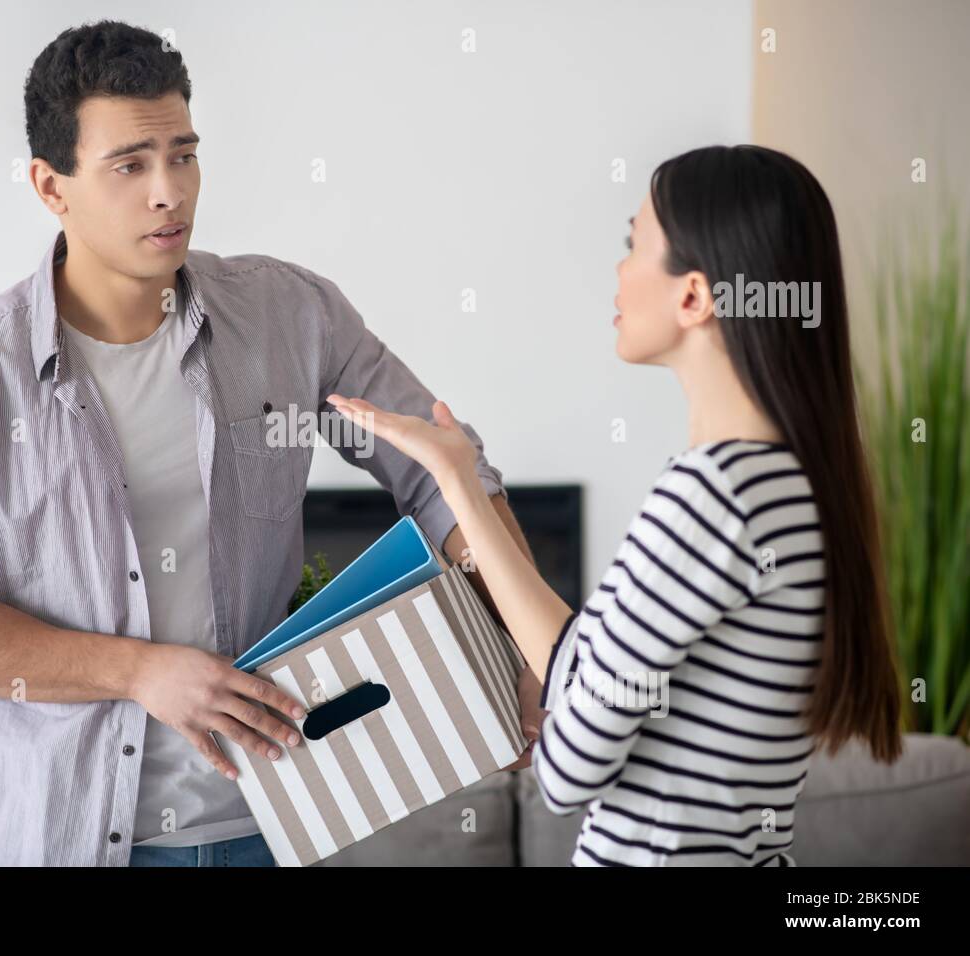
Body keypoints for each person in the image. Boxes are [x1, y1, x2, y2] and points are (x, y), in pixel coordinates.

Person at [0, 19, 541, 867]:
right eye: (130, 165)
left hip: (276, 826)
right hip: (69, 841)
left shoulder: (292, 316)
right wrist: (138, 670)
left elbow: (444, 469)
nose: (168, 193)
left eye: (183, 155)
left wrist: (521, 640)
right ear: (50, 186)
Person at [330, 144, 904, 866]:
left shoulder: (709, 497)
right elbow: (586, 663)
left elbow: (567, 769)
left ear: (693, 296)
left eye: (635, 244)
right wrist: (460, 484)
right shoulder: (790, 482)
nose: (619, 269)